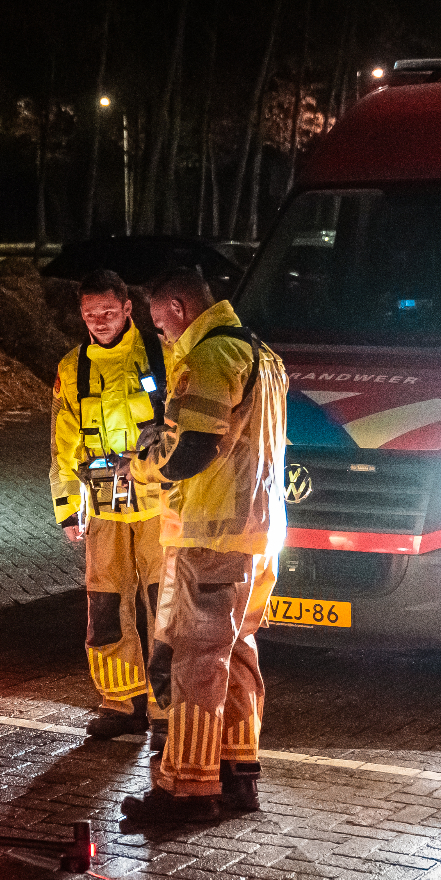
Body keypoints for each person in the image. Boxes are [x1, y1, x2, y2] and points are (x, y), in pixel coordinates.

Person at [119, 267, 289, 824]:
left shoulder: (211, 357)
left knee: (194, 657)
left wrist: (143, 462)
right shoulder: (262, 354)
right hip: (260, 533)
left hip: (214, 534)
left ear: (178, 304)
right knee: (237, 650)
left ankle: (187, 790)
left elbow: (194, 451)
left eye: (158, 319)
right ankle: (239, 773)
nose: (158, 331)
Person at [50, 269, 169, 748]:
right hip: (103, 508)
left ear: (127, 308)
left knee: (166, 607)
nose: (97, 322)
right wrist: (65, 507)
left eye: (106, 312)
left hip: (160, 503)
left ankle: (168, 708)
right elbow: (62, 442)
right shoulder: (70, 368)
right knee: (106, 609)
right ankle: (120, 703)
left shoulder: (163, 354)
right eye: (88, 314)